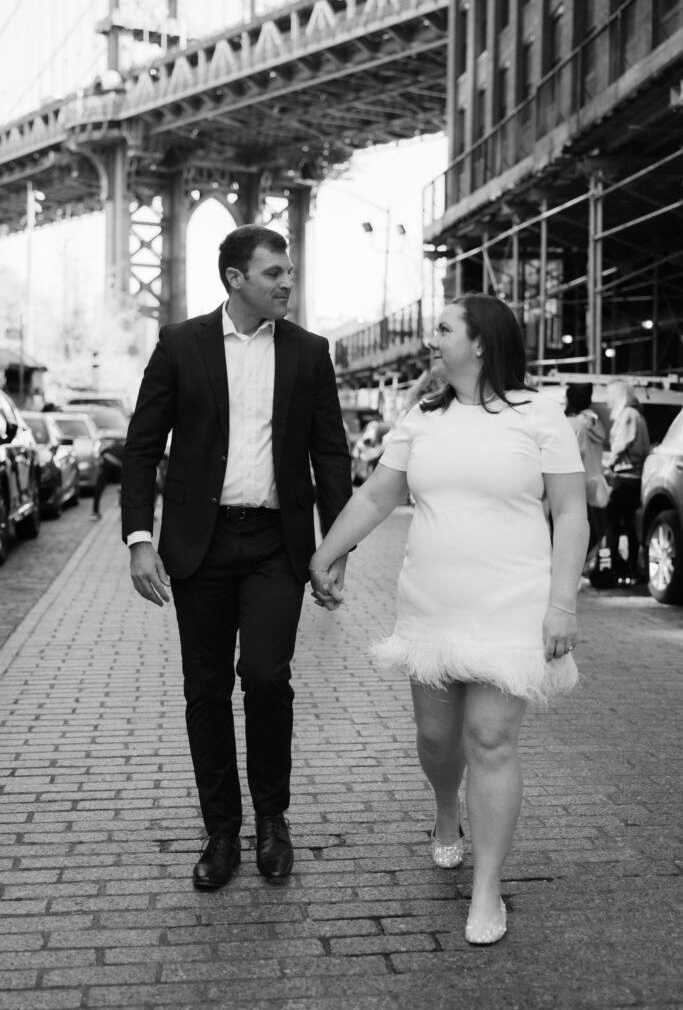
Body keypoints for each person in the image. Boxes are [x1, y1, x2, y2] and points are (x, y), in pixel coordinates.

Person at [309, 294, 588, 945]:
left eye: (441, 329)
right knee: (437, 741)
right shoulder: (422, 418)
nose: (430, 340)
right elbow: (379, 493)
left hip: (512, 608)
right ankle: (444, 811)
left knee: (490, 738)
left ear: (481, 341)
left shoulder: (540, 415)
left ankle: (487, 891)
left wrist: (561, 604)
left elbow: (570, 514)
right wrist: (327, 551)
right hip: (431, 605)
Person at [121, 224, 352, 890]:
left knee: (263, 675)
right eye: (275, 272)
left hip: (276, 545)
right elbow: (141, 449)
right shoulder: (180, 344)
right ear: (235, 278)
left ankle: (272, 821)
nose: (287, 282)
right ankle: (220, 831)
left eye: (289, 272)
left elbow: (329, 454)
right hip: (201, 543)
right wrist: (140, 537)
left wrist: (334, 549)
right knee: (205, 688)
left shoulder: (309, 352)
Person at [604, 379, 650, 585]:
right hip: (633, 478)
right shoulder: (635, 414)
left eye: (609, 396)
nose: (607, 401)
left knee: (612, 522)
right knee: (629, 525)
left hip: (626, 478)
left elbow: (621, 444)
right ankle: (630, 568)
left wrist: (609, 464)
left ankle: (613, 566)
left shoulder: (628, 415)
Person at [564, 382, 607, 572]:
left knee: (572, 533)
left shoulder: (570, 425)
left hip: (575, 487)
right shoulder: (597, 424)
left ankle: (572, 569)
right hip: (597, 484)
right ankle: (585, 567)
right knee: (592, 532)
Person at [91, 436, 125, 521]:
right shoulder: (124, 449)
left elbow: (102, 455)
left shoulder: (110, 447)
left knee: (98, 490)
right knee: (123, 490)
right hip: (116, 469)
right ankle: (123, 514)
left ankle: (95, 513)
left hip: (108, 468)